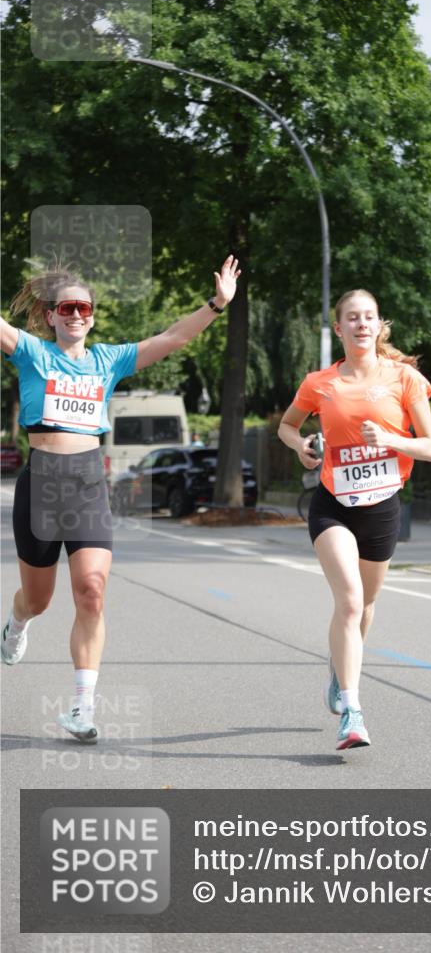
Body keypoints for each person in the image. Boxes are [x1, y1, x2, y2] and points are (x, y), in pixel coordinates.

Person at [0, 255, 241, 742]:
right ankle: (16, 623)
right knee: (39, 600)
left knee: (91, 589)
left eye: (84, 309)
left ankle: (81, 708)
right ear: (50, 315)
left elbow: (172, 338)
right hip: (42, 481)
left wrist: (217, 304)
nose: (76, 316)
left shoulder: (109, 360)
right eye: (66, 308)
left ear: (92, 316)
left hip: (88, 481)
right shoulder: (30, 352)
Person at [278, 290, 431, 750]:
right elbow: (288, 425)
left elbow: (429, 447)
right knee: (348, 602)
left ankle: (338, 668)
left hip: (383, 505)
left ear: (378, 325)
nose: (362, 324)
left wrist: (390, 438)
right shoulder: (320, 382)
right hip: (333, 504)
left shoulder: (404, 378)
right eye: (353, 318)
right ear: (340, 328)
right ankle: (352, 711)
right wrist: (300, 446)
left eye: (369, 316)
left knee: (365, 606)